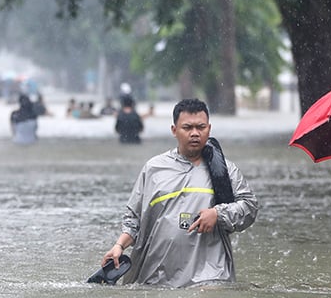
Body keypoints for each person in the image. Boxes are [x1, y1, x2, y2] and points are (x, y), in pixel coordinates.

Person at [101, 98, 259, 287]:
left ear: (209, 129)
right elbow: (134, 218)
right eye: (187, 127)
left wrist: (218, 214)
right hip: (157, 276)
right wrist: (119, 246)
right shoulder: (154, 169)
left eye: (201, 127)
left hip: (210, 276)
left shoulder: (225, 171)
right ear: (174, 130)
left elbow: (249, 207)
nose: (195, 133)